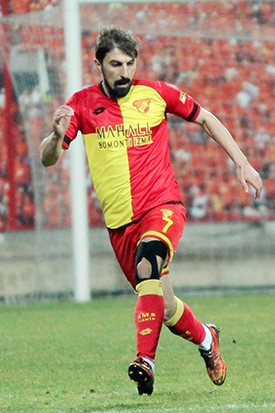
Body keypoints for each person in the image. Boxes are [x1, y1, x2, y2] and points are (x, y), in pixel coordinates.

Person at [40, 27, 263, 395]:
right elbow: (49, 159)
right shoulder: (81, 104)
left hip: (162, 207)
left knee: (148, 265)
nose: (125, 72)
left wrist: (242, 162)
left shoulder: (156, 94)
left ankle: (145, 361)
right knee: (166, 306)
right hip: (120, 225)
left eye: (130, 64)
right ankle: (207, 338)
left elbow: (205, 118)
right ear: (98, 65)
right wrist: (53, 136)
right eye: (116, 64)